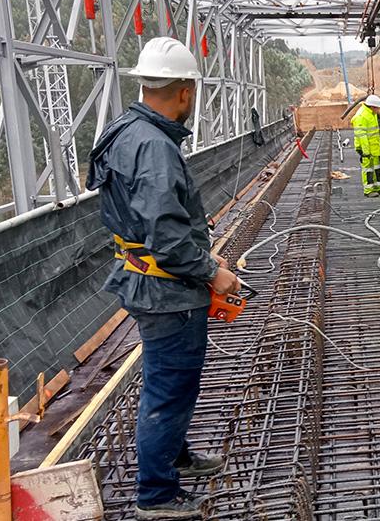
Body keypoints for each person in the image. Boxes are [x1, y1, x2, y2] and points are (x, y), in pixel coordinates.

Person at [85, 37, 238, 520]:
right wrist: (214, 273)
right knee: (169, 389)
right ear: (186, 91)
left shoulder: (124, 129)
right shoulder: (154, 147)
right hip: (168, 290)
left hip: (147, 281)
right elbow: (168, 240)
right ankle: (156, 495)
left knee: (168, 382)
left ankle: (175, 456)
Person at [354, 94, 380, 197]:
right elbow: (362, 136)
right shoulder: (361, 116)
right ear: (372, 106)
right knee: (368, 170)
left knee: (376, 168)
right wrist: (366, 152)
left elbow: (375, 132)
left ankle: (377, 187)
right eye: (377, 108)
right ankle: (368, 190)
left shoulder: (371, 114)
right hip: (366, 149)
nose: (379, 110)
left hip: (374, 148)